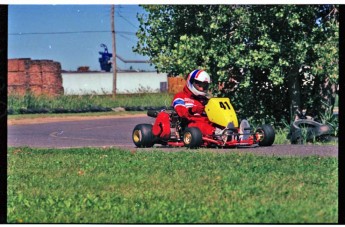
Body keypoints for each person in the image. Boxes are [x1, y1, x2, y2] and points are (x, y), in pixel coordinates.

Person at [171, 69, 215, 136]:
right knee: (202, 126)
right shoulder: (180, 96)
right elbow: (181, 112)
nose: (201, 89)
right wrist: (193, 110)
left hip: (207, 122)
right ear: (191, 82)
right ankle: (216, 134)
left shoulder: (204, 100)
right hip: (190, 124)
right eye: (199, 85)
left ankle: (230, 133)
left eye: (204, 86)